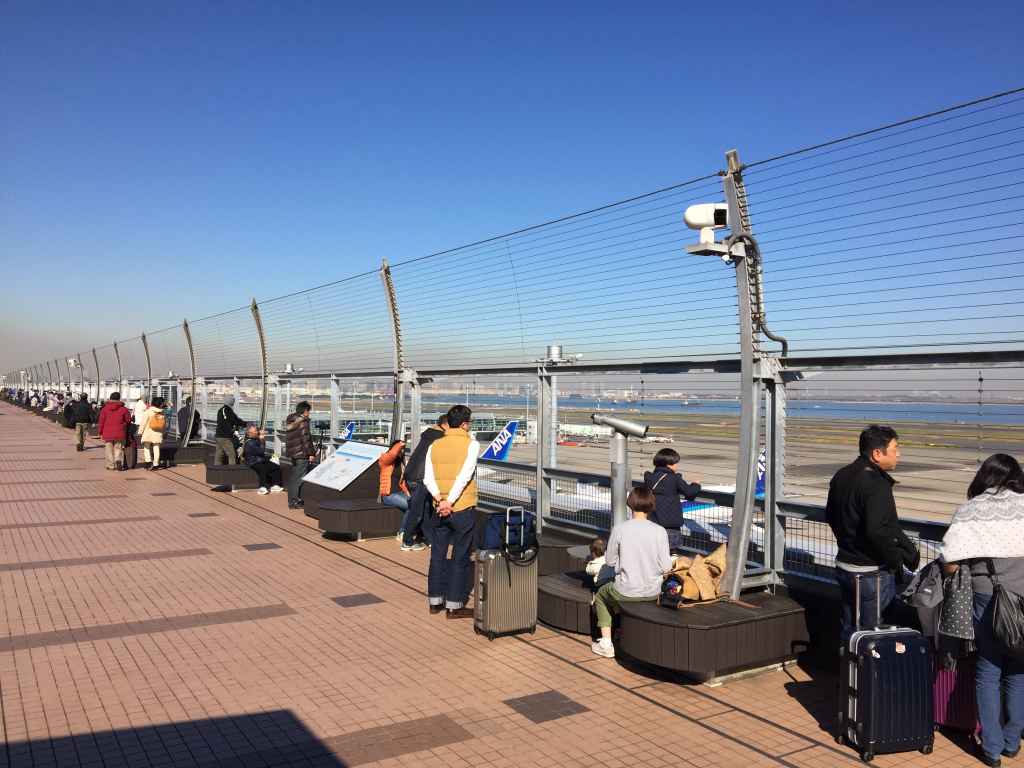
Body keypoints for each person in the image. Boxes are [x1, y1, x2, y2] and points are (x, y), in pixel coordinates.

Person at [941, 454, 1024, 767]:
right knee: (1019, 670)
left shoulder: (971, 509)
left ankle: (991, 748)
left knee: (988, 671)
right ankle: (1012, 741)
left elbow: (949, 561)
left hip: (987, 599)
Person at [826, 424, 920, 645]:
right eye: (895, 448)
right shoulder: (876, 483)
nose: (899, 454)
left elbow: (830, 515)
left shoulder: (842, 475)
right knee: (874, 637)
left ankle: (849, 675)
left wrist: (848, 542)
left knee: (849, 630)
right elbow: (877, 530)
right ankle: (870, 678)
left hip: (845, 567)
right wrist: (896, 560)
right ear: (877, 453)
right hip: (871, 574)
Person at [591, 487, 672, 658]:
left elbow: (610, 561)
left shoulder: (620, 529)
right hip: (653, 591)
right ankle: (622, 629)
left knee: (600, 597)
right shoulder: (660, 531)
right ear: (651, 506)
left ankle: (606, 643)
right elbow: (666, 567)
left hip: (626, 590)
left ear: (630, 504)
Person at [423, 405, 478, 618]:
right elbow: (465, 475)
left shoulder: (434, 445)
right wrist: (450, 501)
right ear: (464, 424)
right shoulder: (471, 445)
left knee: (437, 555)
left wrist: (440, 500)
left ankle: (434, 601)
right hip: (461, 508)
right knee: (459, 557)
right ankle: (454, 605)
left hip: (438, 509)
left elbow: (427, 478)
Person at [400, 414, 448, 551]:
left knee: (425, 509)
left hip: (412, 474)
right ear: (445, 425)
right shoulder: (440, 438)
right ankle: (407, 541)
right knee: (418, 512)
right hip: (421, 477)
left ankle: (430, 539)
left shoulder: (428, 435)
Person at [644, 448, 702, 551]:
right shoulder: (674, 479)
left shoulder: (649, 477)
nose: (677, 466)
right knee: (670, 551)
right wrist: (696, 484)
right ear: (669, 464)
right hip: (670, 524)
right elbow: (689, 492)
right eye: (676, 463)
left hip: (653, 521)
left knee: (654, 550)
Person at [378, 440, 419, 550]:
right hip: (388, 495)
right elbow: (392, 454)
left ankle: (414, 533)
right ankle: (402, 533)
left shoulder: (401, 464)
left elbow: (403, 483)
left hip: (400, 493)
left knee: (416, 504)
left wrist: (408, 494)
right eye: (400, 449)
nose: (402, 451)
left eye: (403, 449)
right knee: (412, 505)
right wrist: (400, 444)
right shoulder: (385, 461)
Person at [284, 401, 315, 509]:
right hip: (302, 454)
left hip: (293, 453)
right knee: (298, 478)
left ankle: (292, 499)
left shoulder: (290, 419)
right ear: (305, 411)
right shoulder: (303, 422)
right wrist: (311, 453)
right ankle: (294, 501)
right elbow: (305, 439)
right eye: (309, 411)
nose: (309, 413)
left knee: (294, 477)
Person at [242, 425, 284, 495]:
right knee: (262, 469)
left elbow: (261, 449)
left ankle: (275, 485)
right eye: (256, 431)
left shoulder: (255, 439)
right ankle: (262, 487)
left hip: (260, 460)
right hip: (253, 462)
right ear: (250, 433)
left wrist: (262, 439)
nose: (258, 432)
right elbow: (261, 451)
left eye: (257, 430)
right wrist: (261, 440)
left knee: (275, 467)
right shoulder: (250, 442)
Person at [96, 392, 132, 470]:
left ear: (110, 398)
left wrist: (100, 432)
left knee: (108, 449)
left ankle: (110, 465)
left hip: (107, 432)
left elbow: (101, 421)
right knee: (118, 448)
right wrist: (124, 424)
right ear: (119, 398)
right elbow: (128, 420)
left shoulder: (104, 409)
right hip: (120, 432)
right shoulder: (124, 409)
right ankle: (118, 460)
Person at [136, 396, 167, 471]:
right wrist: (164, 433)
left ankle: (148, 462)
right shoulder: (162, 412)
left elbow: (143, 423)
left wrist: (140, 432)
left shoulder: (148, 411)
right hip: (158, 433)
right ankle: (156, 464)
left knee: (146, 447)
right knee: (156, 448)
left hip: (148, 433)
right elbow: (164, 424)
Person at [214, 394, 246, 464]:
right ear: (231, 402)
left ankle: (216, 470)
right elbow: (235, 420)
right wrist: (245, 424)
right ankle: (232, 471)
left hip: (219, 435)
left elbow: (233, 420)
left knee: (219, 455)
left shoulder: (222, 410)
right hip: (224, 437)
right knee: (232, 454)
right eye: (233, 401)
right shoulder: (227, 411)